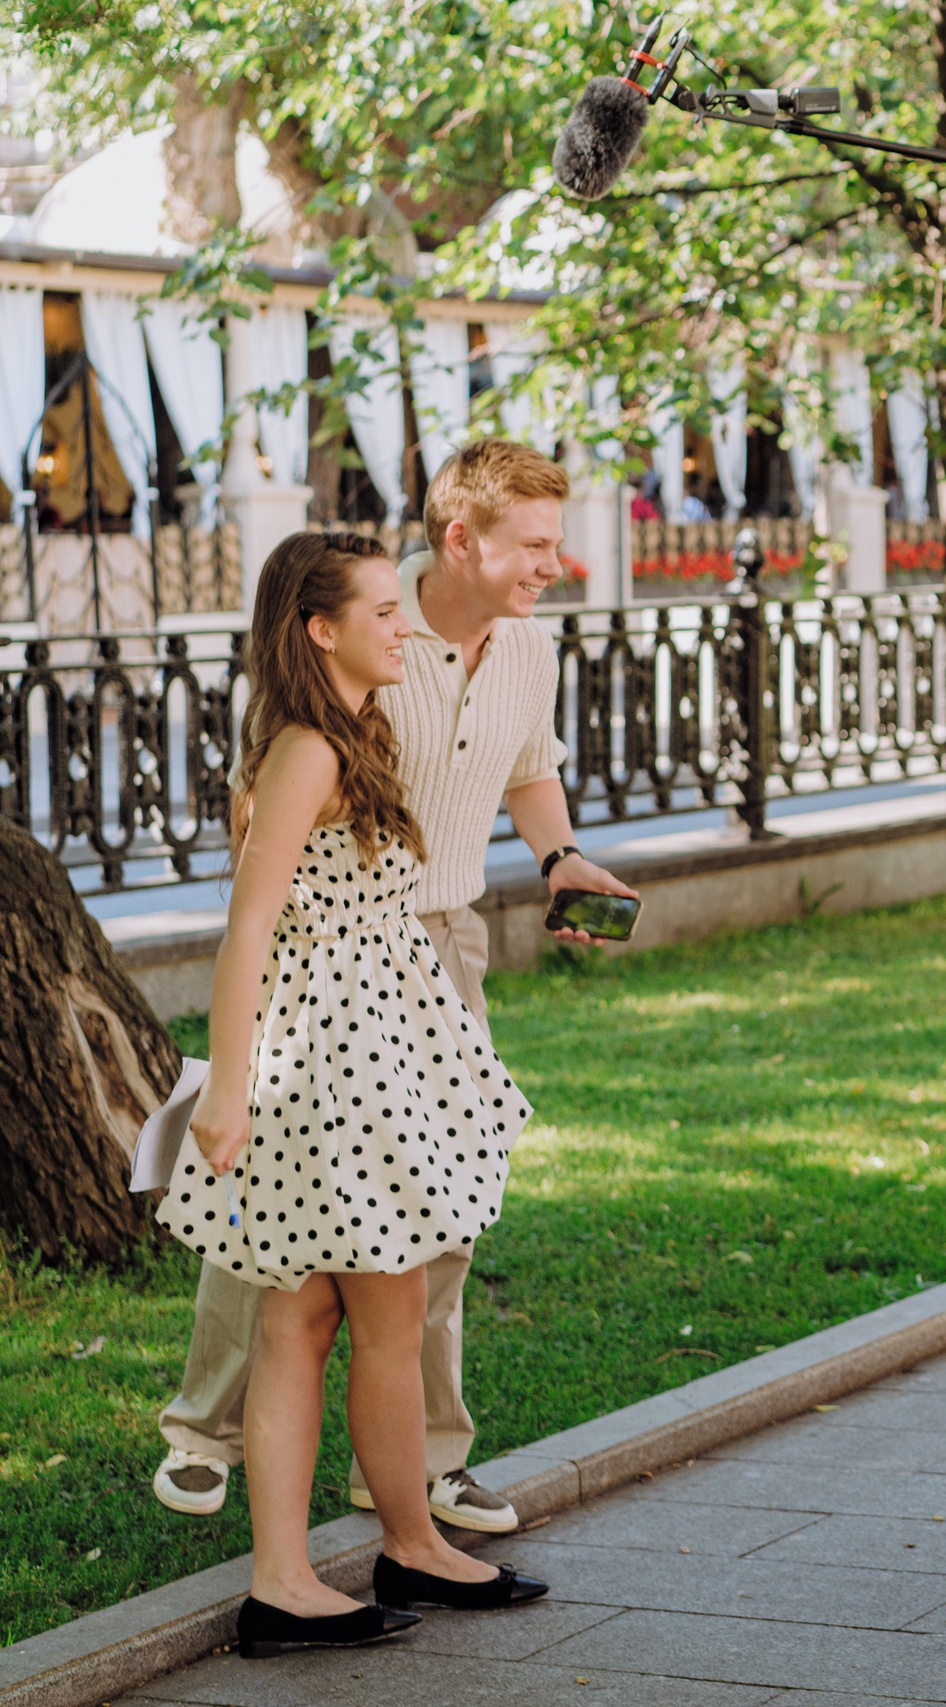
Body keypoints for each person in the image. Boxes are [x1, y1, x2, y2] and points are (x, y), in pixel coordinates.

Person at [152, 439, 638, 1531]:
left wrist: (561, 861)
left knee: (437, 1216)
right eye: (537, 544)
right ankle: (205, 1428)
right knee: (279, 1199)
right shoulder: (363, 626)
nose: (554, 565)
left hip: (441, 944)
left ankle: (424, 1459)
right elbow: (275, 784)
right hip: (323, 949)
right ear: (461, 540)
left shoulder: (525, 651)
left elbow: (531, 768)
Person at [160, 531, 549, 1655]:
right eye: (381, 610)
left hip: (370, 1036)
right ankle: (380, 1551)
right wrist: (227, 1090)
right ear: (320, 629)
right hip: (335, 1056)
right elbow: (246, 925)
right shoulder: (309, 754)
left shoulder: (351, 731)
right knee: (365, 1310)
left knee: (316, 1314)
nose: (401, 625)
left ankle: (326, 1567)